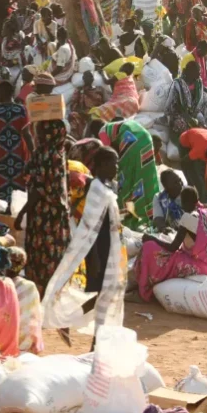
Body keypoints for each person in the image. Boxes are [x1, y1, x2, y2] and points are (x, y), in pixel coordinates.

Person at [43, 146, 126, 346]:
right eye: (113, 162)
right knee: (104, 295)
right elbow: (90, 224)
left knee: (105, 295)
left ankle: (88, 337)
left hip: (110, 247)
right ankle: (88, 337)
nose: (117, 166)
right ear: (102, 165)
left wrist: (123, 213)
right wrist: (94, 257)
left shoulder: (107, 187)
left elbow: (106, 219)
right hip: (99, 250)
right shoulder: (96, 188)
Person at [135, 186, 207, 302]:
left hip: (198, 265)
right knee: (170, 253)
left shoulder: (187, 218)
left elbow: (173, 248)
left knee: (149, 247)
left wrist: (152, 239)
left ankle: (145, 288)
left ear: (184, 202)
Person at [15, 119, 70, 292]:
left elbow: (38, 188)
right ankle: (51, 292)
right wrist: (28, 137)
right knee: (52, 253)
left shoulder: (48, 154)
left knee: (40, 252)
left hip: (43, 213)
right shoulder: (57, 152)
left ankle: (42, 292)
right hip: (54, 213)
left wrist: (22, 212)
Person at [99, 119, 160, 229]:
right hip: (146, 139)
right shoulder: (121, 125)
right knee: (146, 177)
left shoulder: (102, 133)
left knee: (126, 182)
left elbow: (109, 153)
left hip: (131, 142)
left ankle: (130, 216)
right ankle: (152, 214)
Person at [0, 81, 30, 206]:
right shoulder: (21, 109)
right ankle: (14, 210)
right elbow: (27, 134)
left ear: (2, 93)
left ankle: (1, 214)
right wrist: (33, 153)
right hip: (17, 154)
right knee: (18, 183)